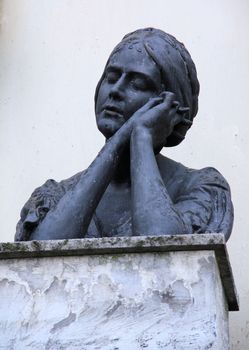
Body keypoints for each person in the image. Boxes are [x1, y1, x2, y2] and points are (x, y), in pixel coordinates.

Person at [15, 28, 233, 242]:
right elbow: (40, 255)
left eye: (137, 84)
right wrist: (118, 142)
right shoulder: (55, 195)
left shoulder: (199, 187)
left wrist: (142, 136)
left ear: (169, 108)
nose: (115, 90)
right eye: (111, 77)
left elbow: (166, 252)